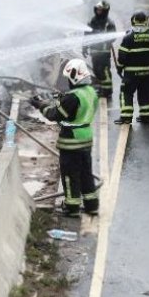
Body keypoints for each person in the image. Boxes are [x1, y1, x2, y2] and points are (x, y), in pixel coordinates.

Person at [32, 59, 99, 216]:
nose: (67, 81)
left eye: (69, 78)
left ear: (75, 78)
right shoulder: (91, 92)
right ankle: (92, 205)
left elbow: (53, 115)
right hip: (86, 138)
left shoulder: (72, 97)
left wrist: (40, 105)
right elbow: (77, 110)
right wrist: (60, 99)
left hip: (71, 141)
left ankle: (72, 207)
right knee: (85, 173)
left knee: (70, 175)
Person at [116, 10, 149, 125]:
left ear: (133, 21)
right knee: (145, 94)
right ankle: (146, 116)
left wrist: (119, 68)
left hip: (131, 73)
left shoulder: (128, 37)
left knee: (126, 93)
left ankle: (126, 117)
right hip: (147, 73)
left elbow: (122, 56)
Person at [85, 1, 117, 100]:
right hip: (94, 52)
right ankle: (102, 89)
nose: (98, 11)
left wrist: (103, 38)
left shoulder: (109, 23)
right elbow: (87, 35)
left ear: (105, 11)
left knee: (104, 71)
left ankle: (107, 91)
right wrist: (84, 47)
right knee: (96, 70)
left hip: (104, 52)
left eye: (100, 10)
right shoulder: (93, 21)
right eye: (97, 9)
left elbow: (113, 36)